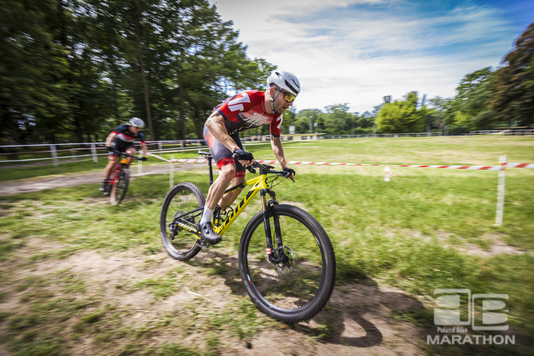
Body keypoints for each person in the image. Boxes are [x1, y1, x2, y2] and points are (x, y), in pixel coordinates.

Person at [198, 70, 298, 244]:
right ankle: (204, 222)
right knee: (228, 171)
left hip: (232, 134)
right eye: (288, 97)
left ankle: (215, 212)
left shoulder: (276, 114)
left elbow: (275, 141)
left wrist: (284, 166)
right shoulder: (249, 99)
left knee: (239, 182)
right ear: (273, 92)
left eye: (293, 99)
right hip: (216, 128)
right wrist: (235, 149)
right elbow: (212, 121)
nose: (290, 103)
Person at [100, 117, 148, 193]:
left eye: (140, 128)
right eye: (137, 127)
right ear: (131, 125)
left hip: (128, 145)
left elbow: (143, 146)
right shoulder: (123, 127)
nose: (139, 129)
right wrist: (108, 145)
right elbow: (111, 136)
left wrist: (145, 156)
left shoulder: (140, 134)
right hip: (117, 145)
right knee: (112, 162)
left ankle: (123, 171)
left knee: (132, 153)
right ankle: (105, 182)